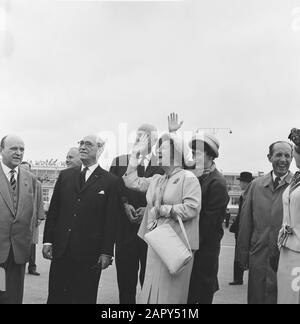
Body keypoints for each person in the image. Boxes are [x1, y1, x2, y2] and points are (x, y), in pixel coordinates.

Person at [123, 131, 201, 304]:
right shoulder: (157, 179)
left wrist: (162, 209)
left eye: (163, 148)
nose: (157, 151)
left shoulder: (188, 178)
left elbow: (192, 208)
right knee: (150, 291)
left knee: (169, 296)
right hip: (156, 243)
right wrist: (134, 157)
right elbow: (131, 182)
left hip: (175, 245)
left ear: (176, 154)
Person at [43, 135, 120, 304]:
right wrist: (47, 241)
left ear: (100, 150)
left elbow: (110, 220)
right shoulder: (65, 176)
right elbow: (55, 210)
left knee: (84, 297)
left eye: (88, 144)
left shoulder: (110, 181)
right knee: (56, 296)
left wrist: (107, 251)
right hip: (62, 249)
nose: (83, 147)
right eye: (81, 143)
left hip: (89, 254)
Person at [110, 124, 164, 304]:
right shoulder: (119, 162)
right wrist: (124, 204)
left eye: (146, 136)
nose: (140, 139)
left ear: (155, 140)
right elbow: (113, 193)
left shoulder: (165, 164)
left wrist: (148, 210)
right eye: (138, 135)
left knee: (149, 282)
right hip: (125, 232)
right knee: (125, 280)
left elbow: (170, 194)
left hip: (152, 233)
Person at [237, 141, 293, 304]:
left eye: (287, 155)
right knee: (257, 297)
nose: (283, 160)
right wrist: (242, 254)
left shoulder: (296, 188)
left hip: (286, 257)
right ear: (269, 158)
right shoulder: (256, 185)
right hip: (259, 255)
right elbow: (245, 222)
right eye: (279, 155)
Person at [187, 130, 230, 304]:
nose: (193, 156)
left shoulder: (217, 182)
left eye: (196, 152)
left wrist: (189, 243)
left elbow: (209, 224)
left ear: (210, 155)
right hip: (190, 246)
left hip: (203, 250)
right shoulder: (192, 176)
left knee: (202, 293)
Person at [0, 135, 40, 304]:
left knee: (14, 298)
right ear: (1, 150)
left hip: (18, 252)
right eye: (13, 149)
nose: (18, 153)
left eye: (22, 149)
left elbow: (31, 215)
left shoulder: (30, 179)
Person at [277, 128, 300, 304]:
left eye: (295, 151)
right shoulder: (296, 178)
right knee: (286, 297)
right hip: (286, 247)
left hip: (298, 251)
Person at [20, 161, 45, 276]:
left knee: (32, 244)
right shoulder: (15, 181)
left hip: (32, 218)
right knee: (19, 243)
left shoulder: (37, 183)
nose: (25, 171)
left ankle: (32, 267)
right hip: (19, 219)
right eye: (22, 168)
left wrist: (40, 217)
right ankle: (19, 267)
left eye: (27, 169)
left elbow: (40, 200)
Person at [229, 171, 253, 286]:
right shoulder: (247, 194)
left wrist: (234, 227)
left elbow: (242, 214)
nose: (240, 184)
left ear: (246, 182)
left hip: (243, 229)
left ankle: (238, 278)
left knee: (240, 253)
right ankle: (238, 278)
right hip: (242, 228)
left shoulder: (247, 195)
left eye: (241, 181)